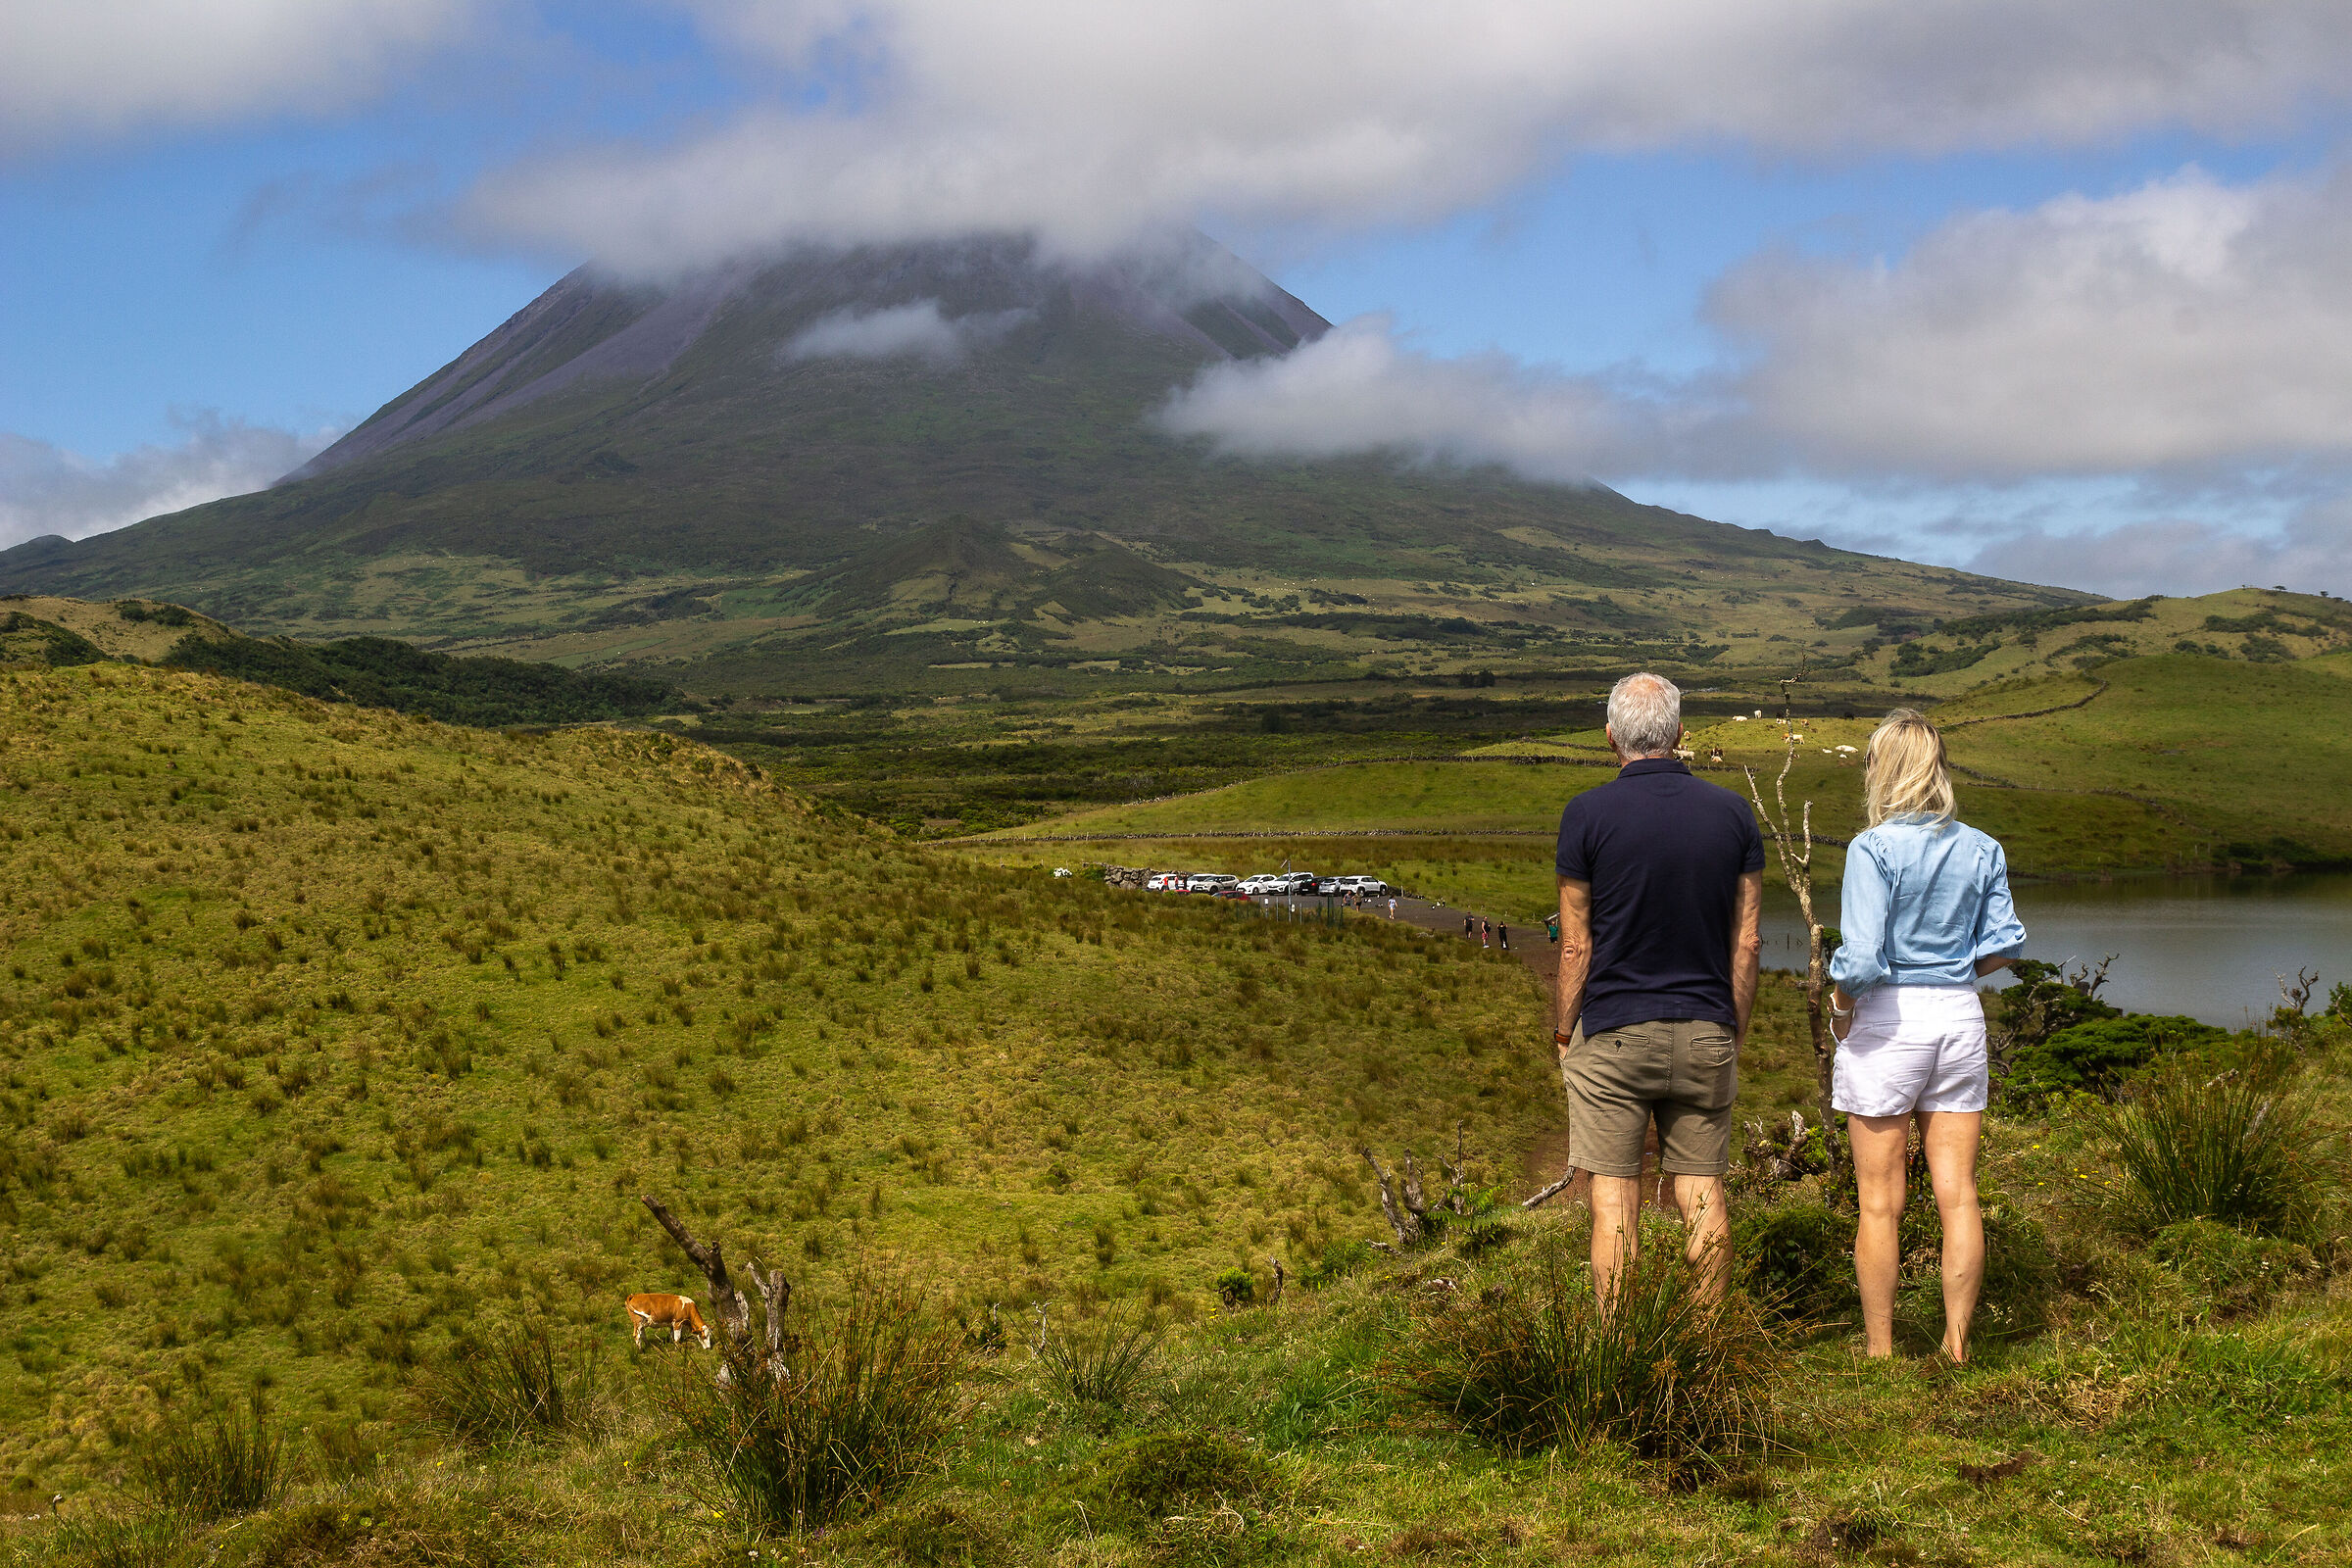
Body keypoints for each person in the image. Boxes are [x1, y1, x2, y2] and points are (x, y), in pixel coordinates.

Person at [1554, 671, 1764, 1303]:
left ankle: (1617, 1353)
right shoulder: (1732, 813)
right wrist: (1733, 1028)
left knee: (1615, 1195)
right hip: (1707, 1029)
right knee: (1702, 1189)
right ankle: (1709, 1346)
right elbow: (1748, 941)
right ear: (1679, 734)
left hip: (1614, 1028)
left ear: (1611, 736)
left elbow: (1574, 944)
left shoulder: (1586, 813)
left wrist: (1565, 1030)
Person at [1828, 710, 2024, 1363]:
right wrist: (1951, 969)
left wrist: (1840, 1002)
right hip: (1959, 1016)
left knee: (1880, 1202)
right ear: (1936, 768)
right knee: (1958, 1192)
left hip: (1890, 1019)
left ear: (1883, 769)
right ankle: (1957, 1347)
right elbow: (2005, 946)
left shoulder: (1874, 847)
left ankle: (1881, 1352)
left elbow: (1858, 959)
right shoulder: (1981, 846)